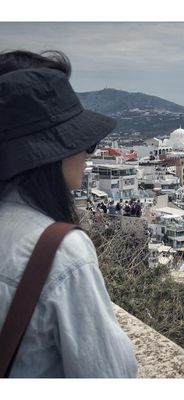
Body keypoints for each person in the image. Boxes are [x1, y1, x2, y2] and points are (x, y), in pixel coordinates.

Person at [0, 50, 137, 378]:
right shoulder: (58, 251)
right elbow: (110, 377)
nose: (88, 155)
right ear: (50, 154)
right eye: (86, 144)